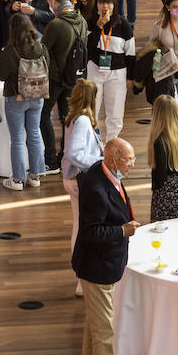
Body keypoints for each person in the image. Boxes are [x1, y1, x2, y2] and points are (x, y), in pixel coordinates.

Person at [72, 137, 140, 355]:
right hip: (97, 265)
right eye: (128, 160)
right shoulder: (97, 187)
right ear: (112, 159)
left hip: (99, 262)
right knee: (104, 327)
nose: (132, 164)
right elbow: (91, 232)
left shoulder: (105, 174)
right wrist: (123, 230)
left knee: (94, 320)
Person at [61, 79, 104, 296]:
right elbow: (74, 153)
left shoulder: (74, 118)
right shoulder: (83, 122)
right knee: (82, 227)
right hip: (80, 180)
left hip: (73, 179)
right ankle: (82, 277)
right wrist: (99, 163)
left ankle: (81, 275)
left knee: (80, 225)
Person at [0, 12, 48, 190]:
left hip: (16, 97)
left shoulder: (11, 50)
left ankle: (18, 179)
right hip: (38, 96)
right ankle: (35, 176)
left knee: (18, 139)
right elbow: (48, 65)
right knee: (34, 134)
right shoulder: (40, 47)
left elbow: (1, 75)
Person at [42, 0, 90, 169]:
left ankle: (50, 159)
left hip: (55, 77)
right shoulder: (82, 20)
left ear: (52, 1)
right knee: (66, 117)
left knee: (44, 114)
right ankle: (65, 155)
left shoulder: (56, 24)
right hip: (74, 76)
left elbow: (44, 50)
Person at [86, 0, 134, 142]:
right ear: (97, 5)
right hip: (94, 70)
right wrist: (98, 27)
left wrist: (131, 78)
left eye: (109, 3)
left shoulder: (123, 24)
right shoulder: (91, 21)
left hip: (117, 73)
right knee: (90, 111)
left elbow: (130, 54)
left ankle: (111, 145)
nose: (105, 6)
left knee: (115, 113)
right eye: (101, 2)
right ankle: (94, 144)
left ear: (114, 5)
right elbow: (87, 48)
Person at [148, 94, 178, 222]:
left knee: (160, 225)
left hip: (165, 189)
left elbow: (160, 173)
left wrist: (155, 189)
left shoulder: (160, 140)